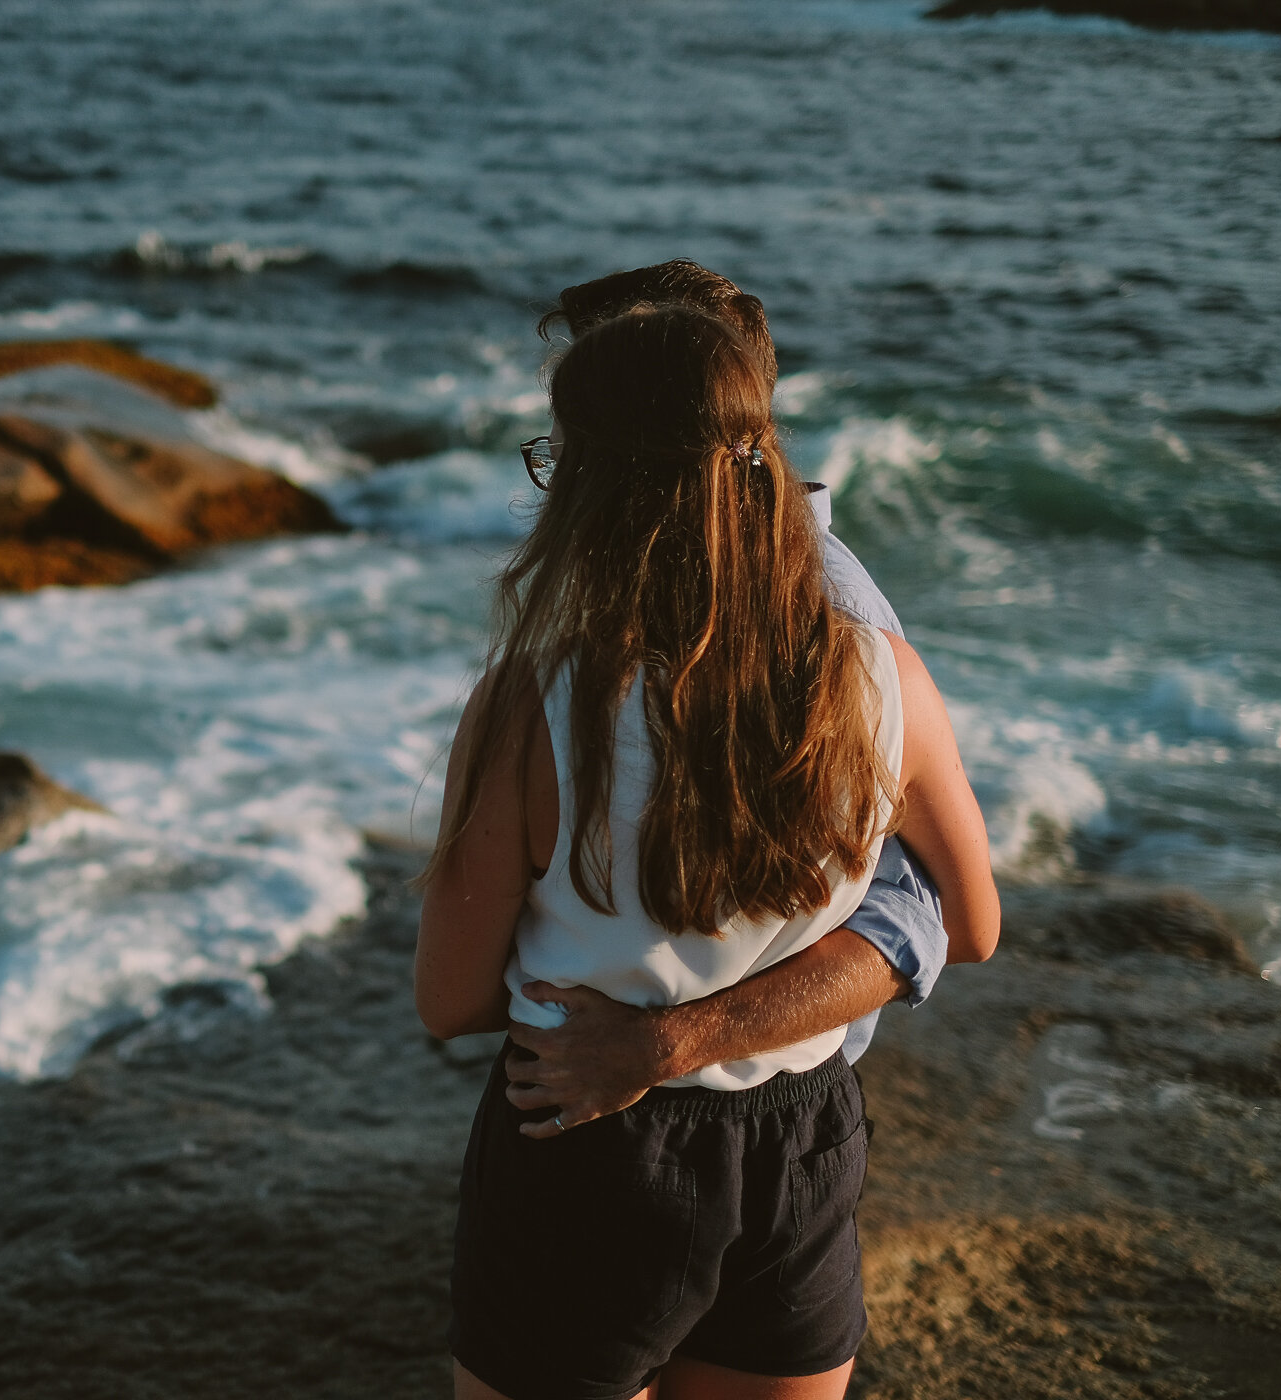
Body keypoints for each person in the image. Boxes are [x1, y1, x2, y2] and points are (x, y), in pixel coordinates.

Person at [415, 304, 999, 1399]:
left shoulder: (532, 706)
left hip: (584, 1140)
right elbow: (969, 924)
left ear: (592, 482)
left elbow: (447, 998)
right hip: (801, 1141)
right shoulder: (885, 674)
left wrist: (614, 1006)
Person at [497, 261, 949, 1141]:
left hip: (757, 1102)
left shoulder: (829, 614)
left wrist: (662, 1044)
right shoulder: (672, 599)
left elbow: (922, 912)